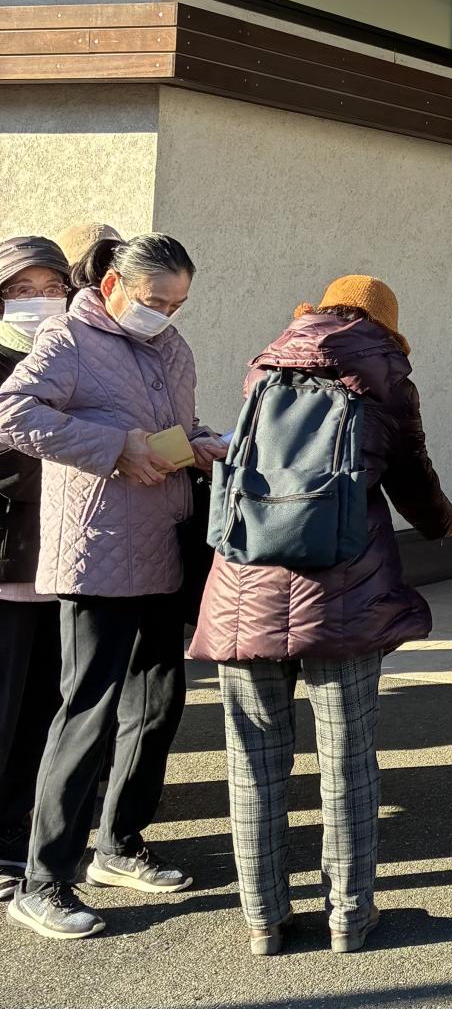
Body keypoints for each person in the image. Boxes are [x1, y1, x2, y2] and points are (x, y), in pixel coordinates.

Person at [192, 275, 452, 956]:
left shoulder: (266, 364)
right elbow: (411, 473)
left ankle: (263, 919)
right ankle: (349, 916)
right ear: (385, 325)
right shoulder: (385, 377)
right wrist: (442, 524)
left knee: (254, 761)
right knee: (347, 760)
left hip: (247, 584)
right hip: (344, 592)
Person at [0, 234, 223, 941]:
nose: (166, 314)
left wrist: (203, 443)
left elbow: (172, 428)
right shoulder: (69, 338)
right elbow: (12, 413)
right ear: (113, 286)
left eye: (178, 304)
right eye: (156, 301)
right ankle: (43, 881)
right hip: (96, 551)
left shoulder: (172, 348)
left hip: (165, 541)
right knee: (87, 710)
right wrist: (112, 448)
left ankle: (119, 843)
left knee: (157, 704)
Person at [0, 236, 73, 904]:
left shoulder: (73, 357)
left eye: (50, 288)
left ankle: (15, 829)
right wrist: (76, 450)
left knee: (38, 712)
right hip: (6, 560)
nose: (38, 302)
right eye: (21, 291)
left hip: (61, 562)